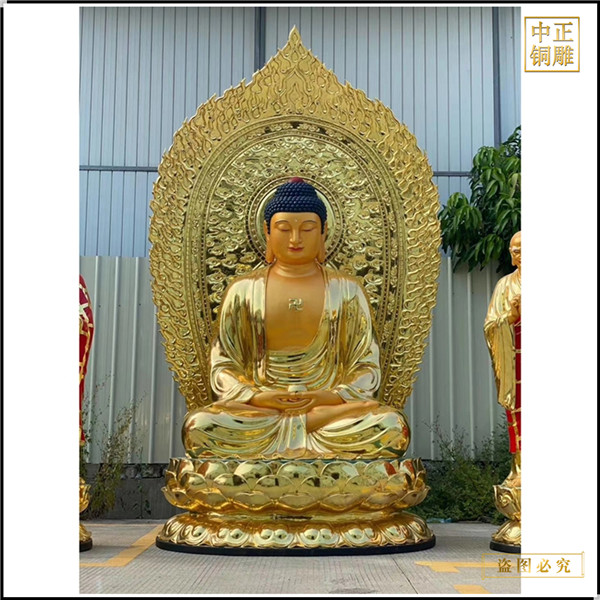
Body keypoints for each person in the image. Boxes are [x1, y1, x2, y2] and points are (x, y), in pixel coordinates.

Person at [183, 178, 409, 459]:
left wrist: (328, 397)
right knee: (199, 426)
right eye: (284, 228)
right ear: (267, 232)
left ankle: (298, 434)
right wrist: (258, 397)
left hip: (327, 412)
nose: (295, 239)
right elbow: (223, 367)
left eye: (307, 228)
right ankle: (304, 433)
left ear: (324, 232)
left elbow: (367, 368)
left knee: (392, 426)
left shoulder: (347, 290)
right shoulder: (243, 290)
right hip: (263, 414)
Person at [484, 231, 521, 478]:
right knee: (519, 410)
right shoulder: (505, 285)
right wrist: (511, 316)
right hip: (515, 359)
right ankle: (519, 468)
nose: (516, 254)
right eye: (514, 250)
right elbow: (490, 325)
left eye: (520, 249)